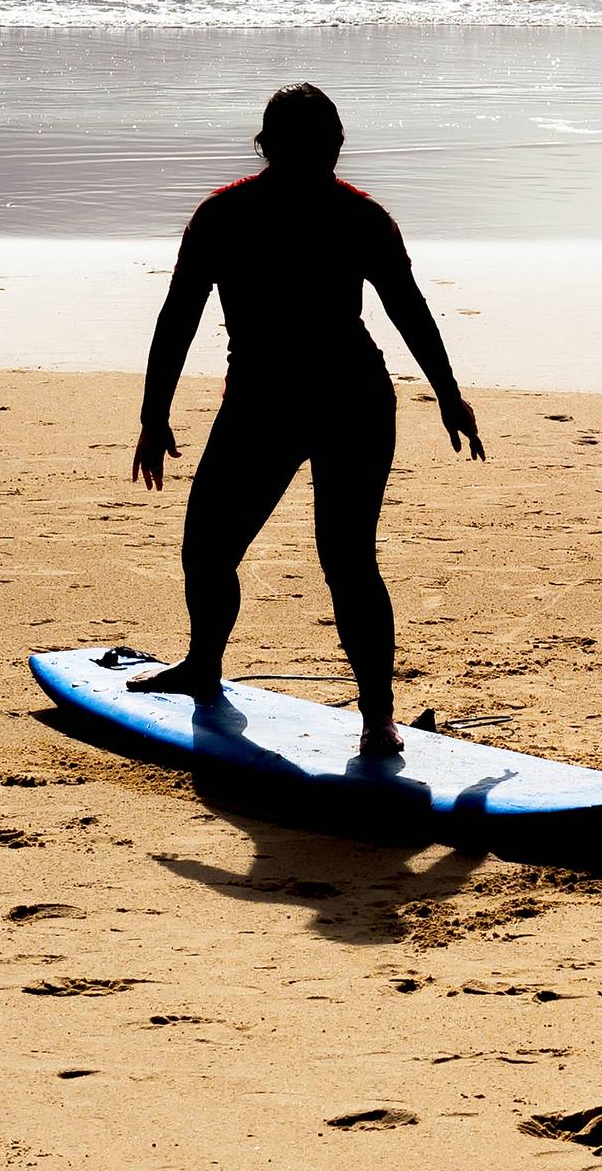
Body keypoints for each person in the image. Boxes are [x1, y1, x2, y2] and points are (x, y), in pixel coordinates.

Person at [128, 84, 483, 759]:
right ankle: (206, 664)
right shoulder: (237, 216)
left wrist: (447, 389)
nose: (323, 159)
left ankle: (378, 719)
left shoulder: (328, 217)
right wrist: (153, 411)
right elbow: (179, 314)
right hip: (280, 401)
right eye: (314, 148)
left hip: (338, 399)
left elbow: (407, 306)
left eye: (329, 149)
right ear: (271, 148)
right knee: (208, 548)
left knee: (345, 560)